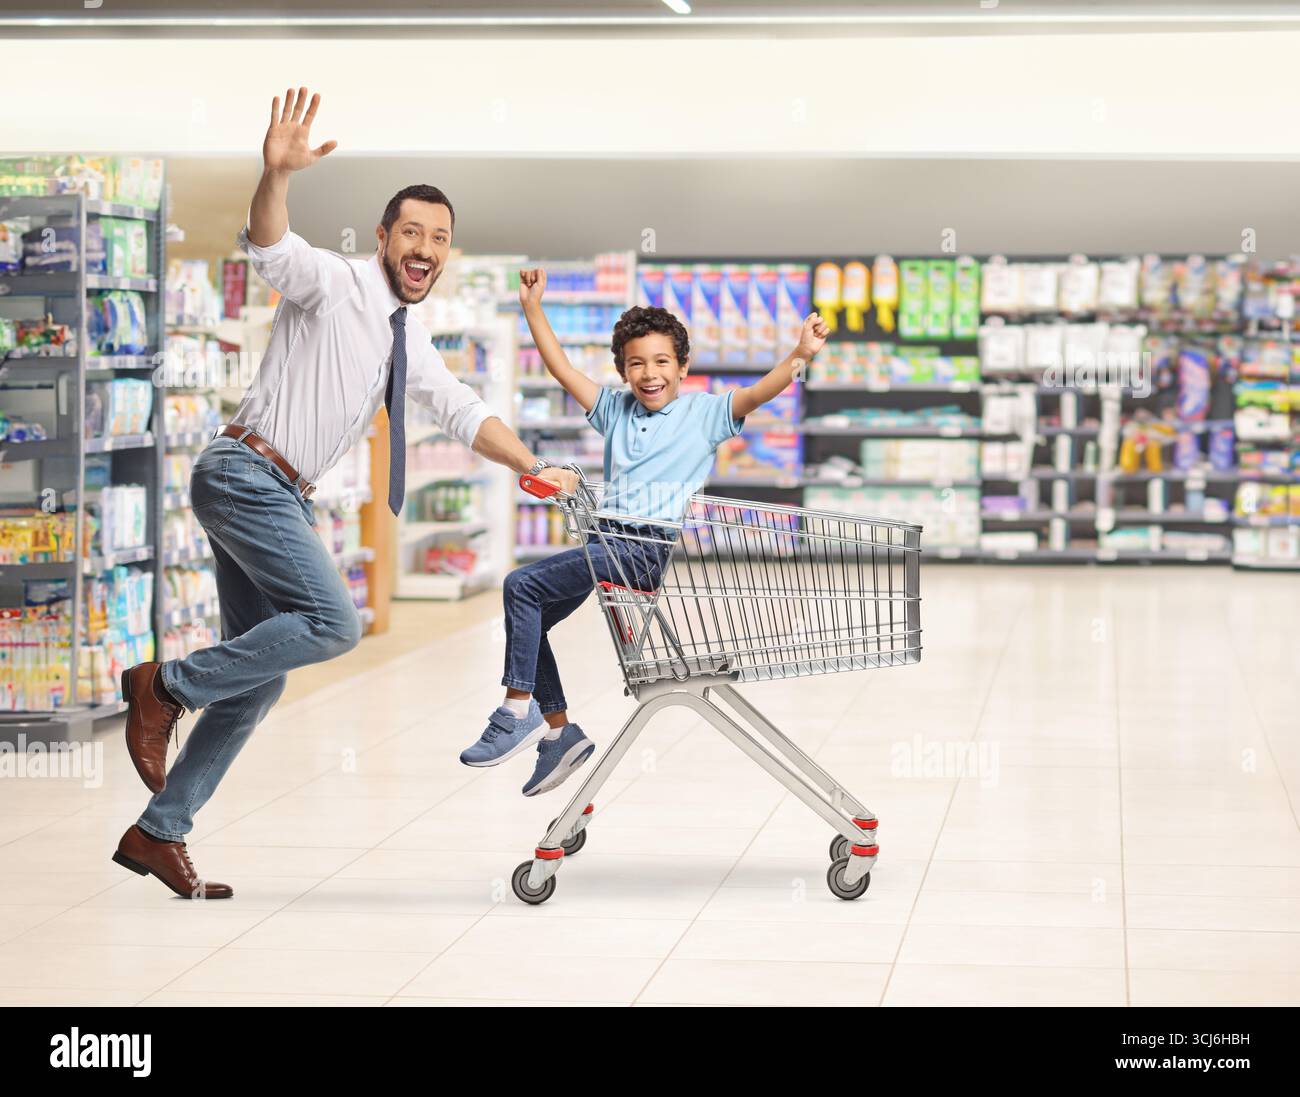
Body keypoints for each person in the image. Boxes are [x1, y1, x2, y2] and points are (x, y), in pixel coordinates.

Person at [112, 88, 576, 900]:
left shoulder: (409, 333)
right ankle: (164, 687)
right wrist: (275, 174)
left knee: (261, 675)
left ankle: (161, 829)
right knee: (333, 622)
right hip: (244, 473)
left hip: (281, 494)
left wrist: (530, 463)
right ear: (384, 238)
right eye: (412, 232)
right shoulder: (335, 282)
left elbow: (463, 410)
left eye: (440, 238)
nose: (425, 246)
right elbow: (270, 244)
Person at [459, 267, 829, 796]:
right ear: (623, 370)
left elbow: (757, 394)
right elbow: (561, 368)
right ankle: (560, 733)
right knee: (531, 613)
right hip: (602, 541)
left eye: (661, 362)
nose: (649, 373)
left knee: (521, 586)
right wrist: (532, 309)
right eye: (636, 364)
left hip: (641, 550)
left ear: (683, 366)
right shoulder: (614, 410)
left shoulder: (705, 414)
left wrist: (800, 356)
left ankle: (516, 710)